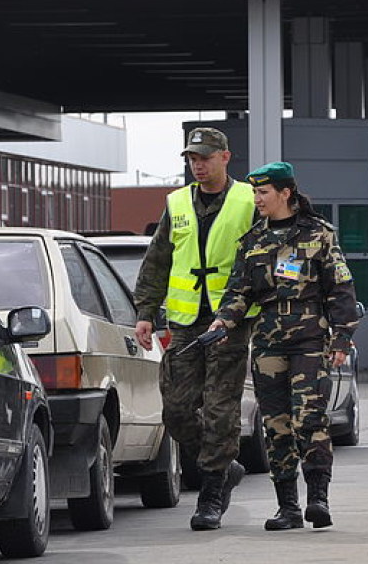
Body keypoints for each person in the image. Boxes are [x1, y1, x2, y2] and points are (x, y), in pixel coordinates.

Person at [209, 161, 359, 531]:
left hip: (309, 340)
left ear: (285, 193)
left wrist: (341, 337)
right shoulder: (253, 241)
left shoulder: (319, 234)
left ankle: (318, 499)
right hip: (268, 342)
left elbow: (340, 288)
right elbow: (238, 292)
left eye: (263, 193)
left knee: (309, 419)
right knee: (276, 426)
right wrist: (222, 321)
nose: (257, 199)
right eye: (255, 192)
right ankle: (287, 507)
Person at [133, 127, 256, 531]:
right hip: (185, 323)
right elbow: (157, 260)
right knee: (177, 410)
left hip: (230, 321)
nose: (197, 165)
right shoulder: (177, 203)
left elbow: (264, 258)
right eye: (192, 159)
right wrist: (146, 312)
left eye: (204, 157)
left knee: (221, 410)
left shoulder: (247, 200)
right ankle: (225, 464)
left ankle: (211, 494)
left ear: (225, 157)